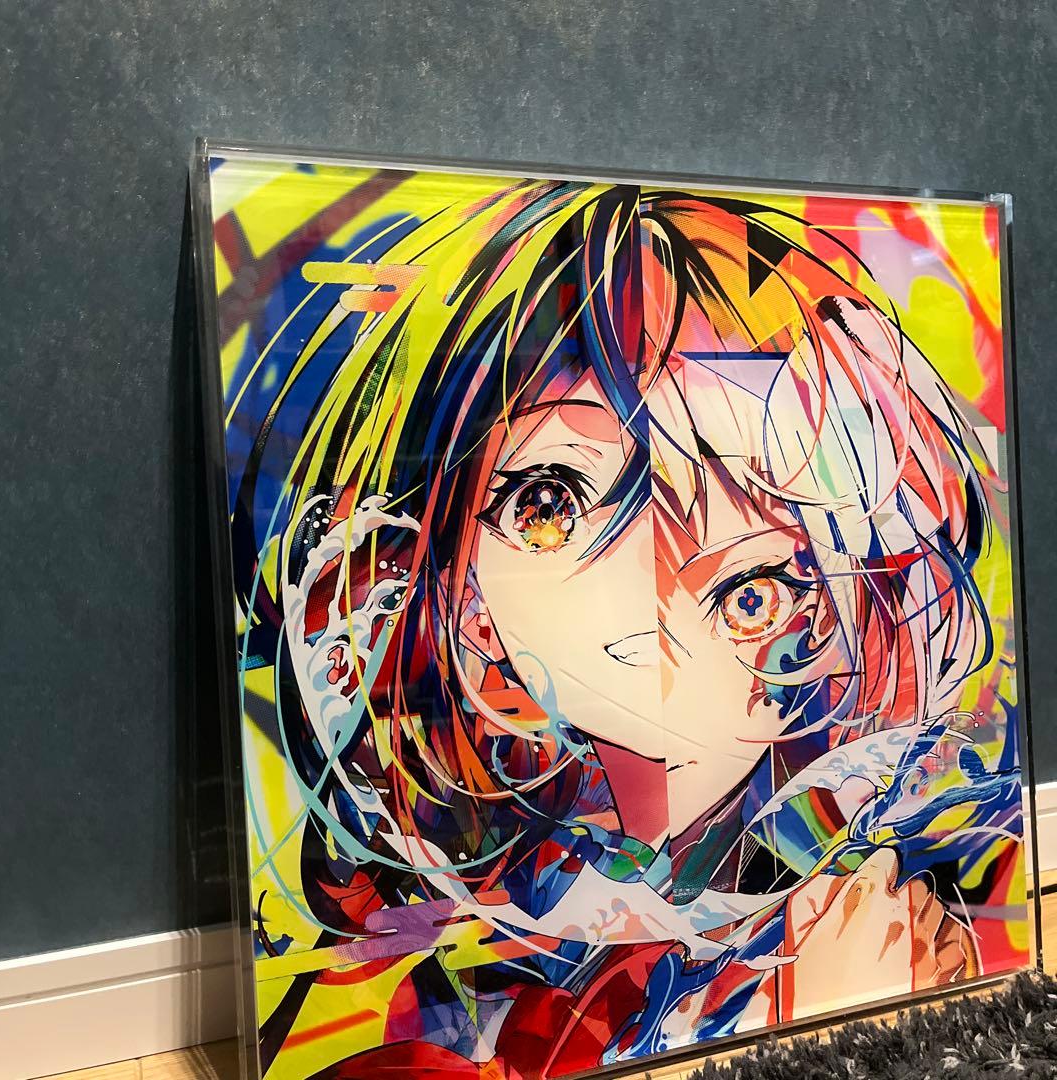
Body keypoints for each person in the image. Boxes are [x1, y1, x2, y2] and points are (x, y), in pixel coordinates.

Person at [230, 178, 1024, 1078]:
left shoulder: (884, 871)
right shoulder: (410, 952)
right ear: (444, 554)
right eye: (549, 508)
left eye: (752, 591)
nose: (648, 631)